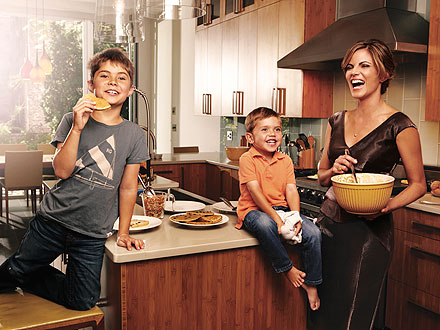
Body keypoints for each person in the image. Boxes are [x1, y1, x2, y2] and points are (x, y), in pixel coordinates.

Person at [0, 48, 148, 310]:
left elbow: (128, 188)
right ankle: (19, 272)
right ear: (91, 85)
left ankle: (25, 275)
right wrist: (78, 127)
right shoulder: (71, 120)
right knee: (11, 274)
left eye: (121, 78)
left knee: (82, 300)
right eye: (105, 76)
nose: (113, 82)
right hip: (53, 221)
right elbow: (61, 171)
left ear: (130, 90)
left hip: (92, 233)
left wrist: (123, 231)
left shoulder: (134, 134)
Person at [311, 39, 426, 329]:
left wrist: (387, 206)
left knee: (354, 316)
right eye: (350, 66)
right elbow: (322, 174)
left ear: (384, 74)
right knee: (320, 314)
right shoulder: (336, 120)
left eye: (364, 65)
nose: (353, 72)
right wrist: (332, 169)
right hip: (327, 227)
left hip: (367, 236)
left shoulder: (400, 125)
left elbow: (418, 185)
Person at [236, 107, 322, 311]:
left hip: (283, 209)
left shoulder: (285, 160)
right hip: (253, 211)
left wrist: (296, 216)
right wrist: (277, 220)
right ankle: (288, 269)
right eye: (264, 130)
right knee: (266, 225)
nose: (272, 134)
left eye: (276, 129)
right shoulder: (247, 159)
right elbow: (255, 193)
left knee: (314, 233)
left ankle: (312, 283)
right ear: (250, 137)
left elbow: (291, 190)